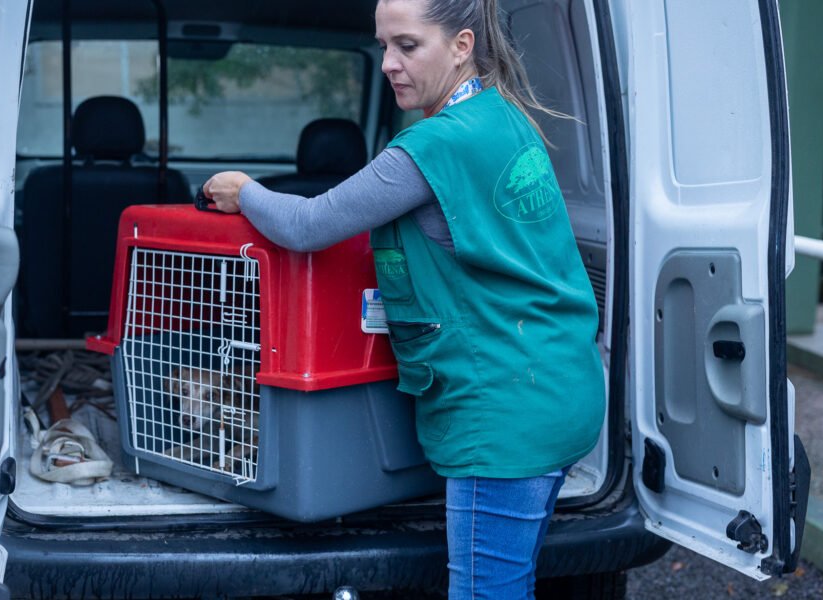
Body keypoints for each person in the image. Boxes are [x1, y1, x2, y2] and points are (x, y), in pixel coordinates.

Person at [202, 0, 605, 597]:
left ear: (463, 45)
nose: (389, 63)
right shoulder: (503, 116)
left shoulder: (431, 147)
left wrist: (246, 191)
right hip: (561, 391)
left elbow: (311, 225)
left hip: (502, 415)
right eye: (384, 45)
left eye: (408, 46)